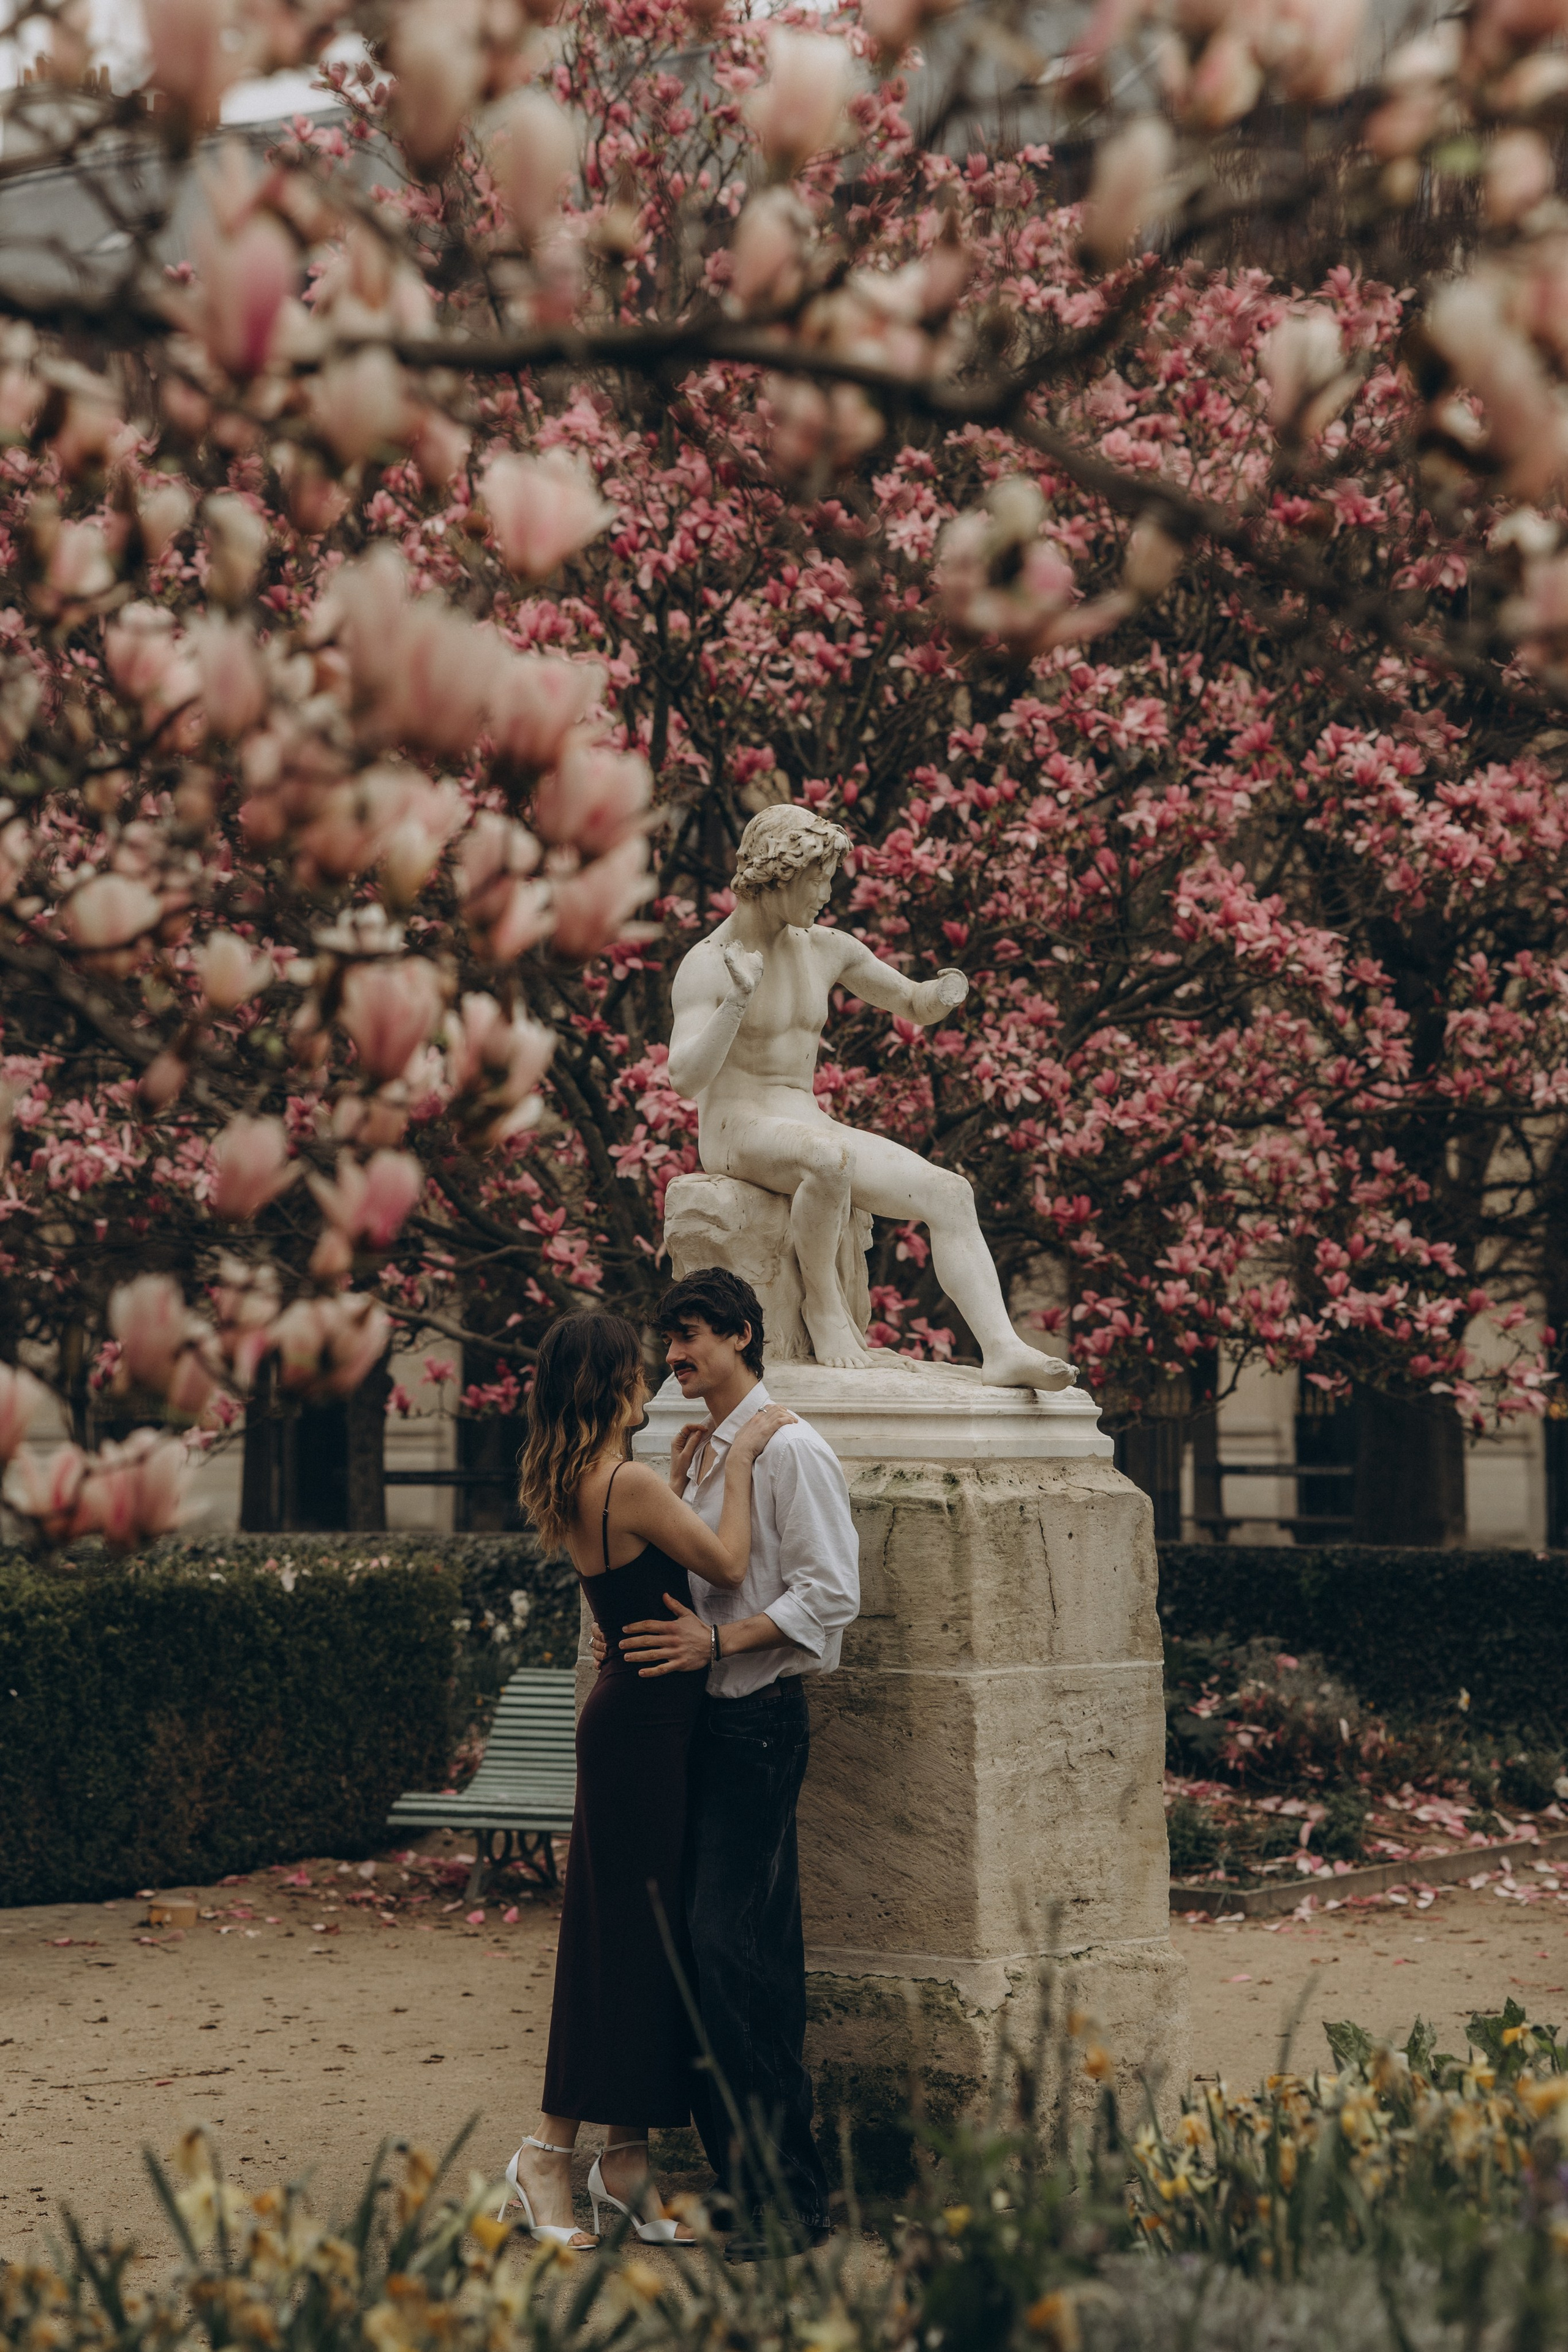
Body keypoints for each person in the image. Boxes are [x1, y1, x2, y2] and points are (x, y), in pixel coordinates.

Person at [502, 1307, 794, 2248]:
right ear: (609, 1383)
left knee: (646, 1935)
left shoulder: (592, 1478)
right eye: (638, 1367)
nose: (655, 1378)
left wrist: (677, 1481)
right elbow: (732, 1562)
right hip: (645, 1733)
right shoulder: (623, 1481)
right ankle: (547, 2154)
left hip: (642, 1722)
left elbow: (634, 1581)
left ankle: (624, 2159)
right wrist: (741, 1463)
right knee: (619, 1940)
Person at [599, 1266, 861, 2263]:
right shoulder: (698, 1447)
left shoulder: (792, 1449)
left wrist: (721, 1645)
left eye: (694, 1337)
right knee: (721, 1966)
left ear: (743, 1334)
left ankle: (789, 2202)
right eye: (671, 1340)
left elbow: (831, 1597)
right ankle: (751, 2189)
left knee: (728, 1958)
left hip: (754, 1727)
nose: (675, 1357)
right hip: (694, 1735)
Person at [665, 801, 1074, 1389]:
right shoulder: (709, 964)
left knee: (948, 1191)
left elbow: (910, 1001)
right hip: (737, 1128)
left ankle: (1003, 1348)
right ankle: (824, 1308)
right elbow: (684, 1080)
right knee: (827, 1160)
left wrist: (943, 995)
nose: (826, 895)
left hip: (805, 1119)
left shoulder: (824, 947)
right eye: (817, 880)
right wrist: (736, 1001)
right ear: (778, 876)